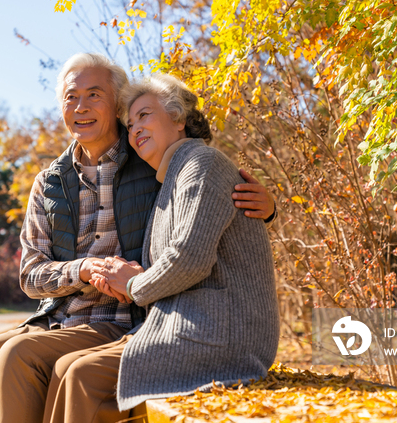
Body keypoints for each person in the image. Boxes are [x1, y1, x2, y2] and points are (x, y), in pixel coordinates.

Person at [0, 54, 275, 423]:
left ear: (115, 105)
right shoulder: (50, 183)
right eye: (71, 97)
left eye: (94, 95)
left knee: (20, 357)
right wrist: (82, 270)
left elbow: (206, 212)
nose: (81, 107)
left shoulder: (152, 161)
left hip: (124, 318)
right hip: (59, 319)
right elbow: (30, 274)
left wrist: (265, 205)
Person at [42, 74, 279, 423]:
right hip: (184, 324)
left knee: (82, 375)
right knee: (65, 368)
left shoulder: (202, 164)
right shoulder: (170, 179)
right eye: (131, 121)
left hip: (222, 332)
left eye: (145, 115)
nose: (135, 127)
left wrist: (133, 285)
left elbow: (189, 258)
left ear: (179, 119)